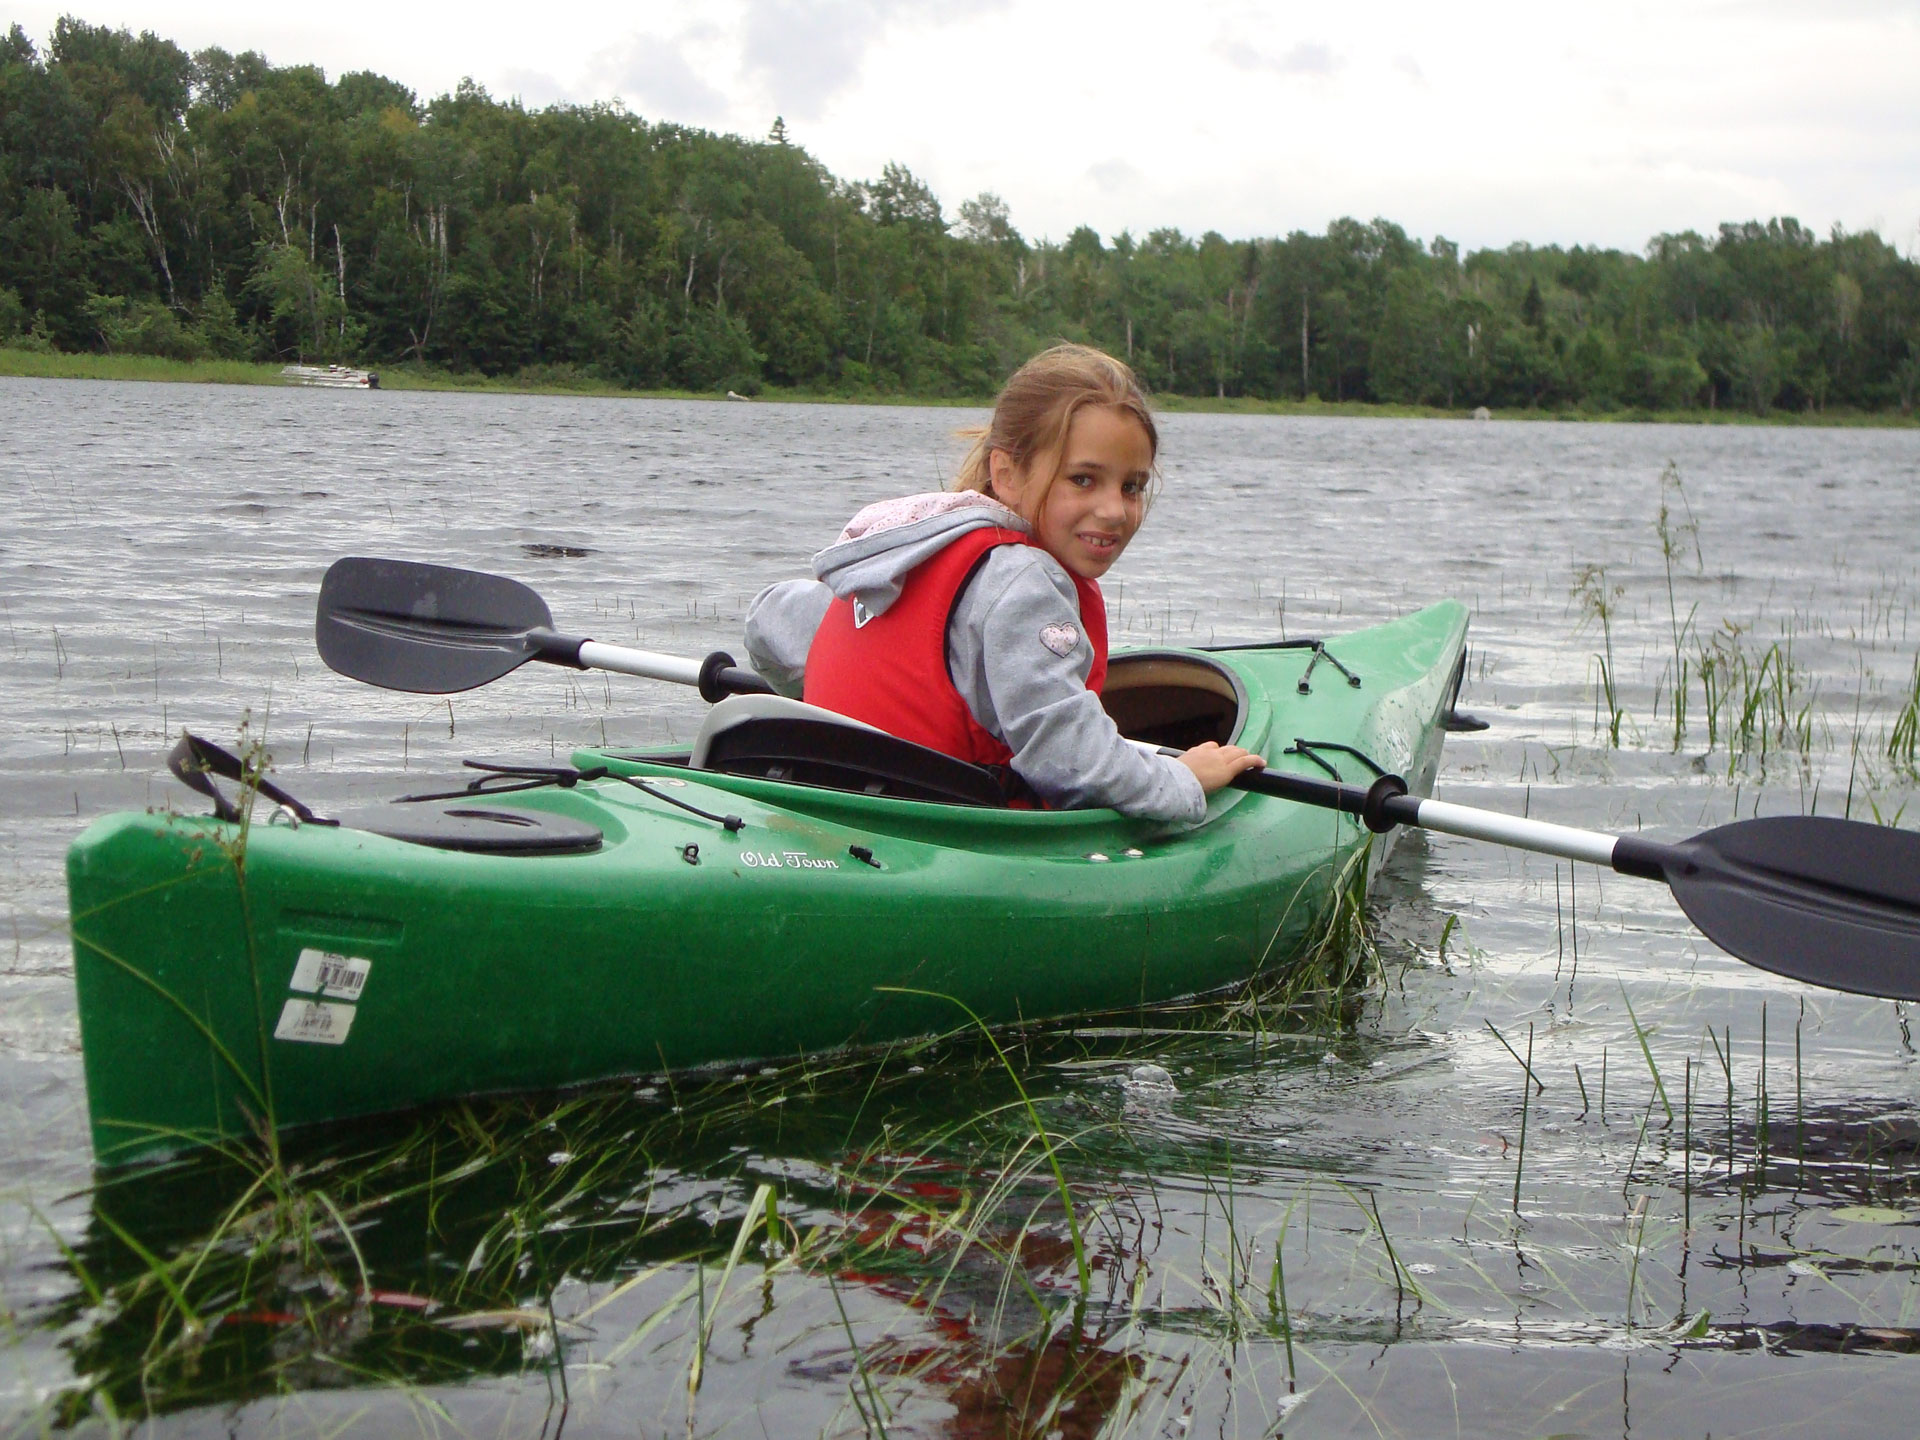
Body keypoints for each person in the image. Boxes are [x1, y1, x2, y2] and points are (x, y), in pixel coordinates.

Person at [743, 343, 1264, 822]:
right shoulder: (1023, 580)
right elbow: (1070, 760)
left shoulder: (903, 553)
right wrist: (1183, 780)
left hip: (828, 806)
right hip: (932, 834)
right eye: (1082, 479)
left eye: (1131, 486)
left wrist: (812, 695)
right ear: (1008, 474)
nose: (1113, 510)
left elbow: (769, 622)